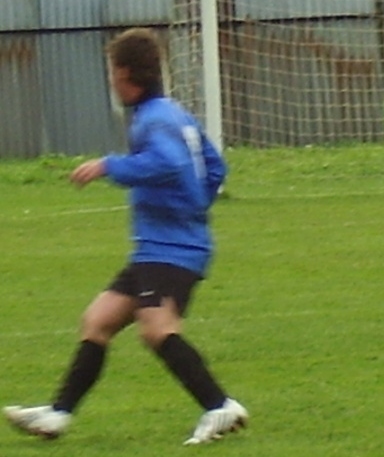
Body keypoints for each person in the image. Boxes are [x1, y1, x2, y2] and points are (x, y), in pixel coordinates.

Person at [3, 28, 248, 445]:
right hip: (161, 246)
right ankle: (58, 415)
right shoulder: (173, 113)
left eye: (112, 71)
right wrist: (193, 205)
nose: (111, 81)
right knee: (97, 321)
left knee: (156, 329)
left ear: (125, 73)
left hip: (171, 251)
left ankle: (220, 406)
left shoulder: (154, 119)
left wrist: (109, 166)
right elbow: (215, 165)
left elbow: (167, 164)